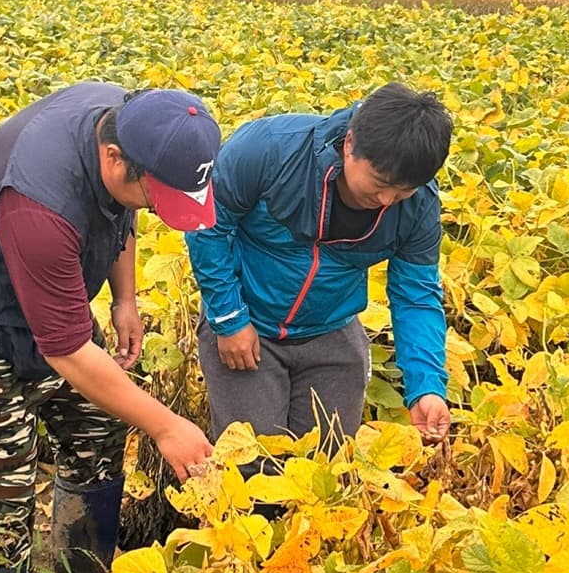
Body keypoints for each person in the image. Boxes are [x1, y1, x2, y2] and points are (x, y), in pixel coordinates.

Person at [0, 82, 221, 573]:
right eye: (157, 196)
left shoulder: (127, 118)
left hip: (53, 306)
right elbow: (66, 352)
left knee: (99, 429)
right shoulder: (40, 205)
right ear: (113, 157)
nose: (156, 210)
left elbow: (120, 214)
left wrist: (125, 299)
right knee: (3, 481)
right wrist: (167, 425)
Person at [185, 82, 453, 456]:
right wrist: (228, 319)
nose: (388, 201)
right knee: (252, 462)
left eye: (403, 191)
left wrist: (427, 387)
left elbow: (416, 295)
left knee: (329, 462)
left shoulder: (418, 206)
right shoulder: (270, 149)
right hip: (250, 324)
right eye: (381, 185)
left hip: (331, 330)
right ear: (349, 145)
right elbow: (209, 224)